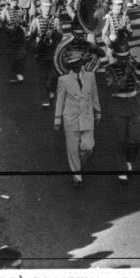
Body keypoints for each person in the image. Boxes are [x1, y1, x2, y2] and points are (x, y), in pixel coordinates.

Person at [53, 49, 101, 186]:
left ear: (81, 62)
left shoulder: (91, 77)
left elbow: (94, 95)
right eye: (71, 64)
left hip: (87, 117)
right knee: (72, 149)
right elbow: (60, 100)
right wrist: (57, 119)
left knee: (88, 147)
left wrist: (98, 112)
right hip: (71, 119)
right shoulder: (63, 80)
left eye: (76, 63)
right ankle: (77, 176)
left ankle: (77, 166)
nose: (74, 66)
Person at [105, 42, 140, 184]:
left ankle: (129, 160)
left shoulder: (131, 66)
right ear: (116, 57)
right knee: (121, 139)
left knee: (136, 138)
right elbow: (112, 87)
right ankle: (122, 169)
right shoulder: (109, 69)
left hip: (133, 104)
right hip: (119, 106)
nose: (124, 60)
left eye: (126, 56)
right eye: (121, 57)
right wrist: (126, 74)